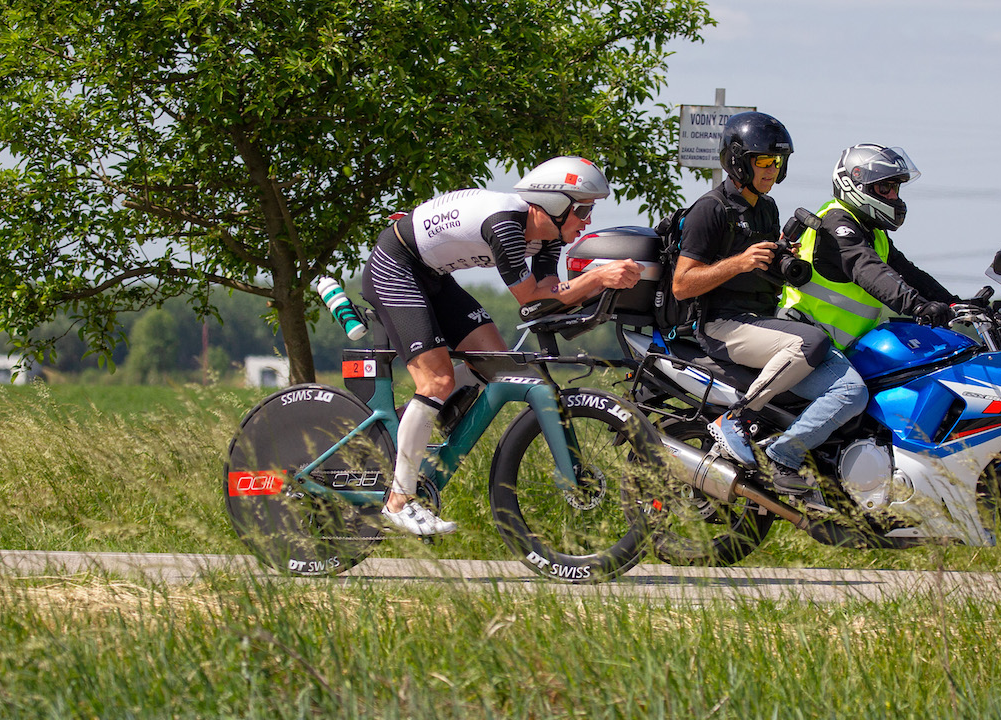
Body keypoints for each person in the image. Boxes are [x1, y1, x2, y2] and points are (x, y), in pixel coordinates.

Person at [362, 156, 642, 535]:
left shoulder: (547, 237)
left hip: (433, 275)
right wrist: (597, 278)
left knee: (495, 362)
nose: (588, 221)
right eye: (584, 210)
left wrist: (601, 288)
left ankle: (411, 421)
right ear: (557, 205)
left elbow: (548, 296)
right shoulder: (506, 224)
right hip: (397, 267)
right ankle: (399, 501)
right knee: (437, 381)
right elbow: (528, 297)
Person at [672, 112, 867, 504]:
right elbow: (681, 285)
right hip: (720, 325)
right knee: (811, 342)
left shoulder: (767, 207)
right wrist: (740, 262)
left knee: (852, 389)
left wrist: (779, 260)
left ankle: (785, 456)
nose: (772, 170)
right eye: (763, 161)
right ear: (739, 161)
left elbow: (765, 274)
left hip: (760, 321)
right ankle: (737, 419)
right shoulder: (709, 209)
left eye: (778, 162)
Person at [778, 144, 959, 349]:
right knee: (850, 384)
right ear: (853, 185)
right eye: (884, 188)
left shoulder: (872, 231)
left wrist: (955, 303)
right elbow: (868, 269)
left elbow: (909, 273)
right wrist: (918, 306)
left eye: (895, 188)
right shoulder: (835, 224)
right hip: (808, 342)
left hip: (845, 347)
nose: (893, 196)